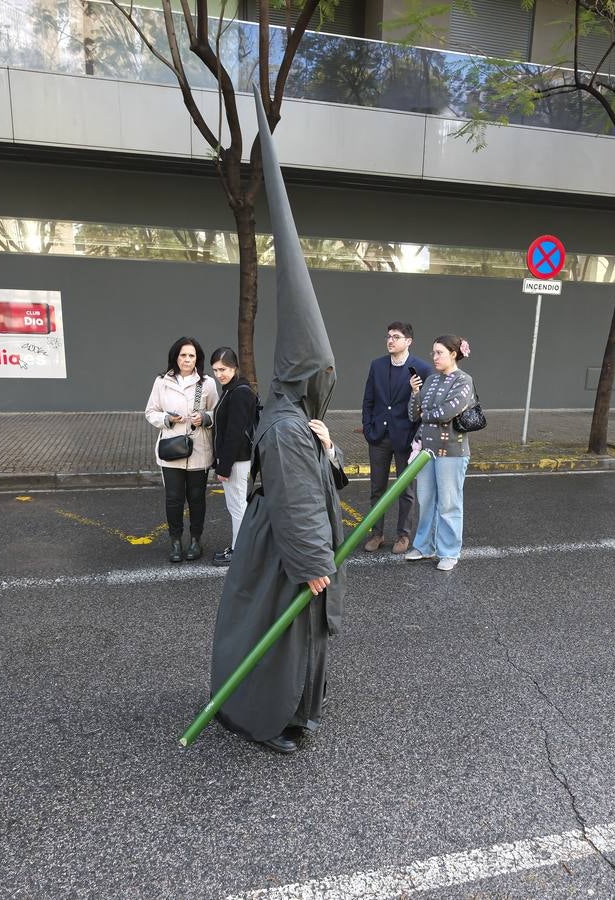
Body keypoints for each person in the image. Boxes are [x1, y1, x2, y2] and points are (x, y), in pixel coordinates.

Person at [210, 89, 348, 755]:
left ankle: (283, 709)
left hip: (288, 547)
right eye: (321, 372)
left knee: (285, 636)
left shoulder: (301, 423)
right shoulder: (285, 425)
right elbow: (295, 503)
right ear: (304, 373)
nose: (328, 380)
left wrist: (332, 451)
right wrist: (315, 563)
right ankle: (263, 718)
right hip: (284, 554)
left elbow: (325, 482)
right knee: (276, 635)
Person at [405, 334, 477, 571]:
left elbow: (448, 412)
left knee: (449, 503)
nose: (434, 357)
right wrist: (415, 394)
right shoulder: (431, 380)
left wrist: (427, 414)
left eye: (439, 353)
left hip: (453, 451)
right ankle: (424, 546)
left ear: (453, 354)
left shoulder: (464, 380)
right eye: (433, 353)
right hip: (427, 450)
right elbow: (414, 415)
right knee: (425, 501)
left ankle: (449, 552)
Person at [145, 337, 218, 563]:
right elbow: (150, 412)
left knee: (197, 499)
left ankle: (196, 541)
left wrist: (205, 417)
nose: (187, 359)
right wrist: (167, 418)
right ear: (175, 357)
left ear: (198, 359)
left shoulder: (206, 384)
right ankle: (175, 541)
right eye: (183, 355)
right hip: (171, 450)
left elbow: (218, 412)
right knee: (173, 499)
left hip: (198, 450)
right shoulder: (161, 382)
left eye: (191, 355)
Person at [361, 321, 430, 554]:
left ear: (408, 341)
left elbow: (424, 407)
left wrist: (417, 438)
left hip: (406, 439)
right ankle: (376, 534)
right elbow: (368, 400)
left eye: (396, 336)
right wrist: (368, 428)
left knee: (405, 490)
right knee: (376, 488)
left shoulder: (421, 368)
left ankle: (403, 536)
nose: (390, 340)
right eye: (389, 336)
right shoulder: (377, 365)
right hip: (379, 437)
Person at [209, 346, 259, 565]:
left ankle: (239, 552)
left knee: (238, 505)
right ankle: (239, 548)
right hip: (234, 459)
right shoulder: (231, 389)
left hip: (237, 460)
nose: (220, 374)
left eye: (224, 369)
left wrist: (224, 466)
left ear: (235, 367)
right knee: (236, 505)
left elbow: (235, 433)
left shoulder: (239, 393)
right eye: (216, 370)